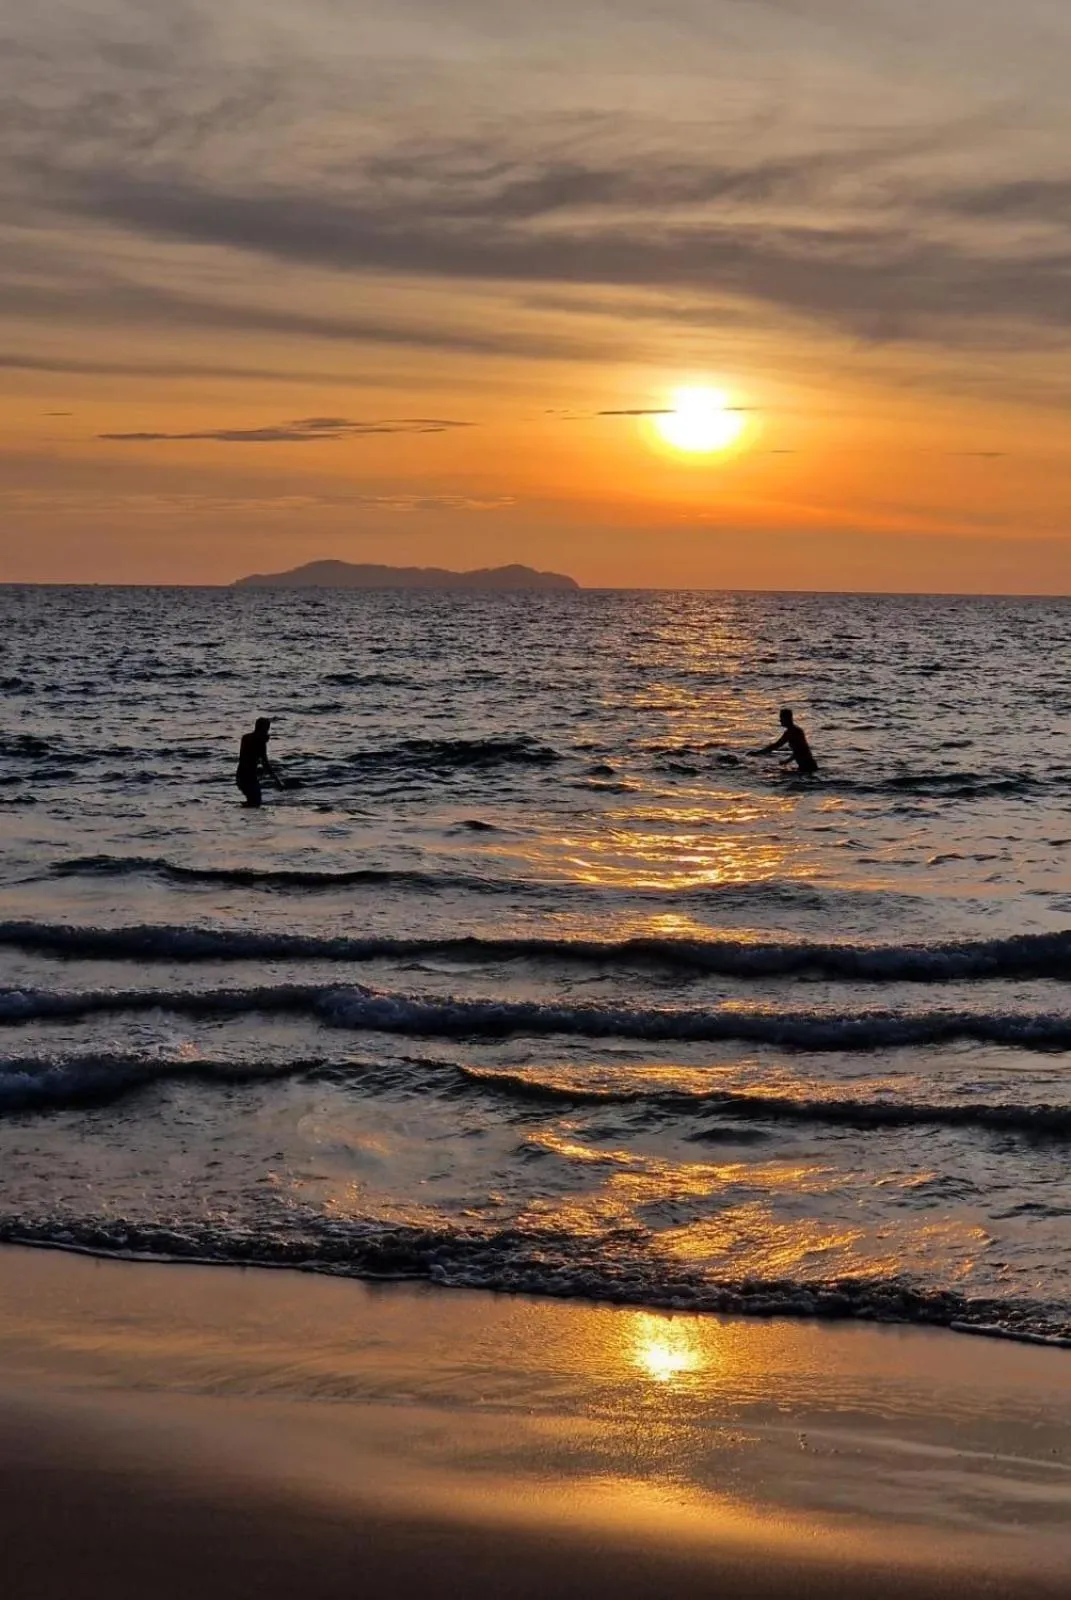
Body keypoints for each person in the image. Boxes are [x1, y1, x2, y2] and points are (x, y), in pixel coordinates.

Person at [749, 707, 818, 777]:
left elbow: (776, 745)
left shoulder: (791, 732)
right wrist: (787, 761)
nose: (780, 720)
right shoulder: (795, 730)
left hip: (807, 766)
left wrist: (758, 753)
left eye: (781, 718)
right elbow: (799, 750)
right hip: (807, 765)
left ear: (786, 719)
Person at [236, 717, 283, 806]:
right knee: (255, 802)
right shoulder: (260, 742)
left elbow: (245, 757)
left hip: (240, 775)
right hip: (249, 777)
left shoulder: (245, 738)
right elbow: (265, 763)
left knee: (252, 801)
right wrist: (277, 780)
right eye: (267, 728)